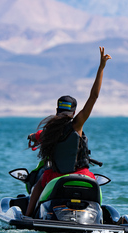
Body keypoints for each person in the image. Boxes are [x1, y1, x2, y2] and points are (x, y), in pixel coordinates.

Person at [25, 46, 111, 217]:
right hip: (81, 174)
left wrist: (32, 137)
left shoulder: (50, 131)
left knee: (37, 187)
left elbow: (37, 136)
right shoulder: (77, 124)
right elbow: (93, 96)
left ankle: (27, 216)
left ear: (57, 110)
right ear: (73, 112)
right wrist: (101, 68)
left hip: (55, 176)